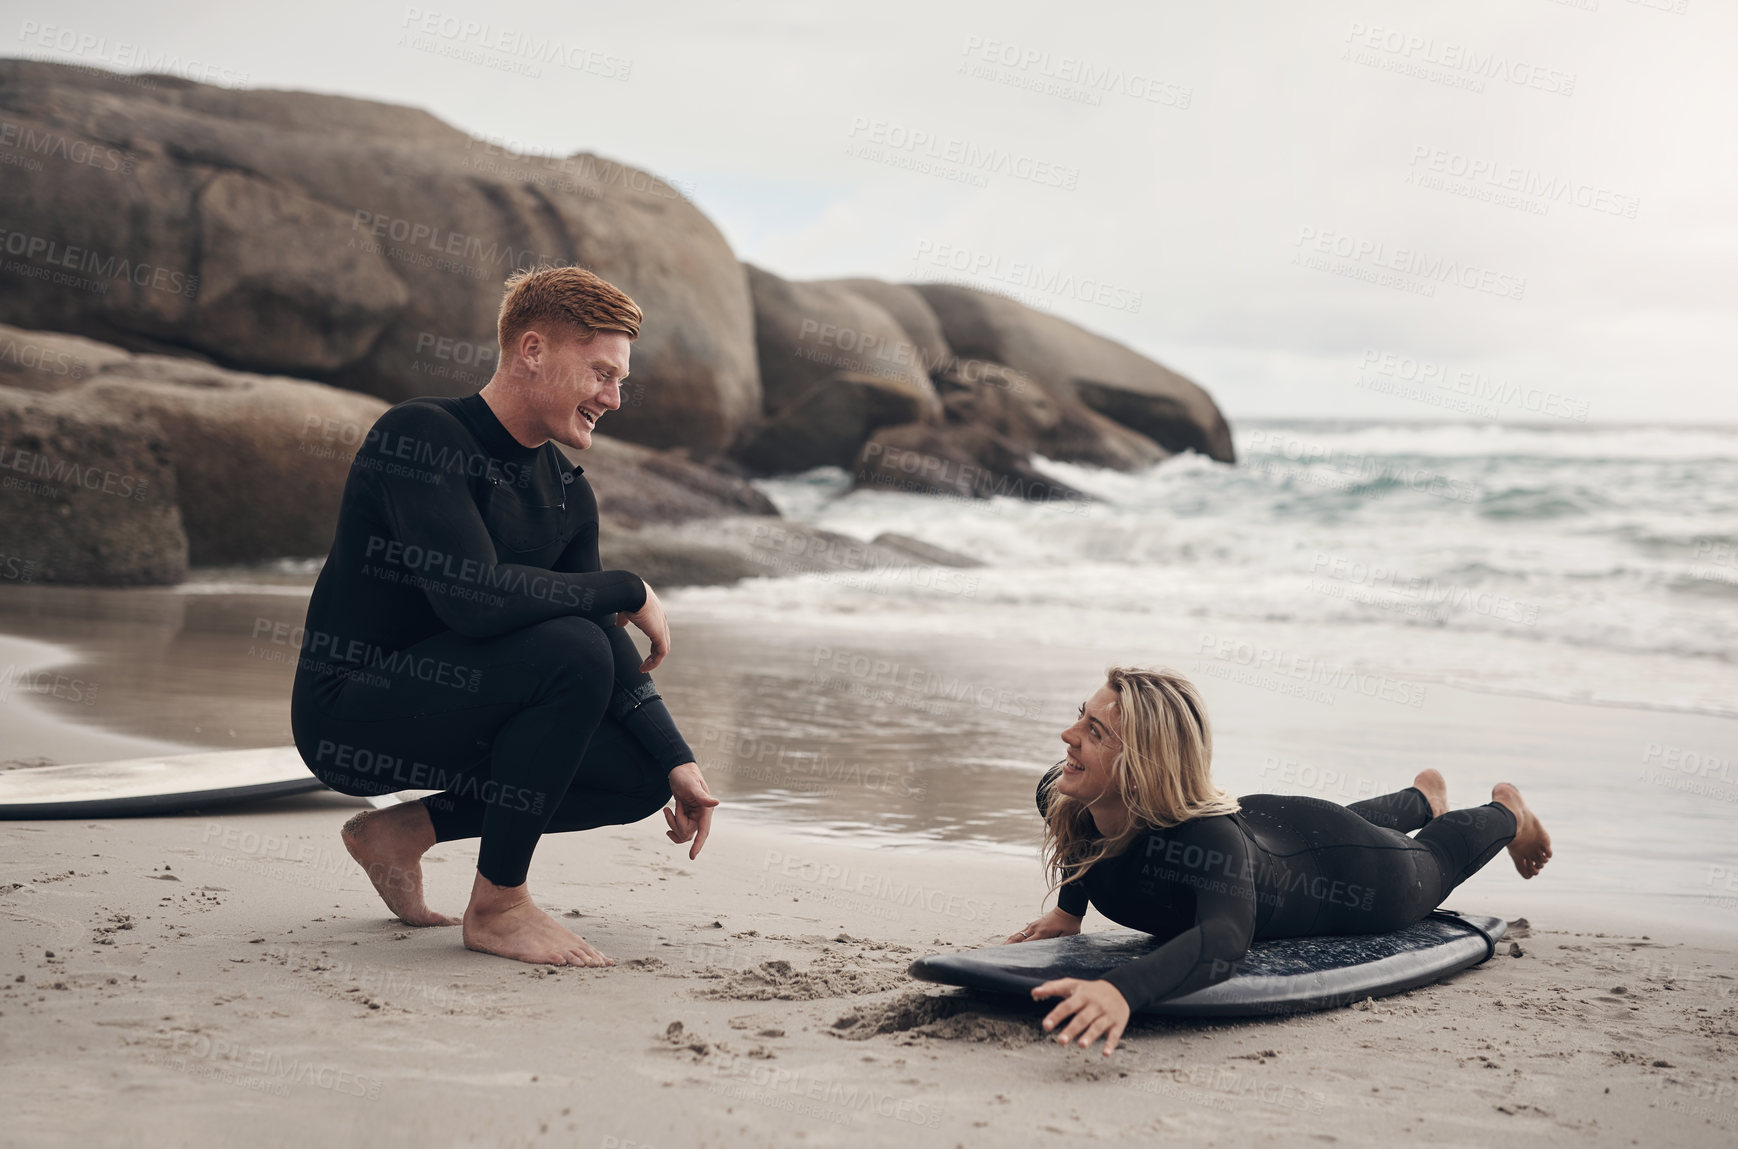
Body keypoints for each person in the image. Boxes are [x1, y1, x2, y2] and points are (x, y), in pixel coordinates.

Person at [289, 265, 718, 967]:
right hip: (351, 715)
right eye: (601, 373)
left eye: (620, 381)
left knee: (636, 770)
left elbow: (606, 646)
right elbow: (475, 598)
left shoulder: (567, 495)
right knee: (571, 647)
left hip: (461, 713)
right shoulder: (420, 436)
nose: (612, 398)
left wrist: (678, 758)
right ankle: (499, 905)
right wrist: (628, 586)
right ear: (532, 350)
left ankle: (403, 832)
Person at [1005, 667, 1552, 1056]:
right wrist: (1068, 913)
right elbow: (1085, 843)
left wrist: (1122, 989)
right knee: (1330, 830)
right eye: (1082, 717)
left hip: (1347, 869)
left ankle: (1507, 812)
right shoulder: (1067, 794)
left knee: (1427, 863)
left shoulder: (1202, 839)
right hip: (1272, 828)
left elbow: (1224, 939)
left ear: (1144, 767)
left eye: (1094, 732)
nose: (1067, 737)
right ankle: (1420, 801)